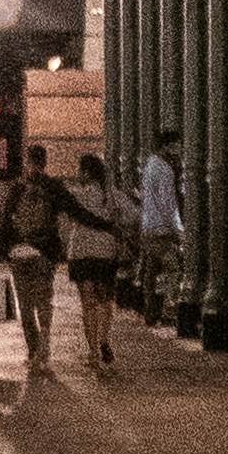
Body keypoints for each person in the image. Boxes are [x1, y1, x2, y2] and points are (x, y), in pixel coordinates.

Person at [57, 148, 134, 374]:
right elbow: (132, 214)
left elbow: (64, 210)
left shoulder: (77, 194)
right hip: (106, 252)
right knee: (105, 300)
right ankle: (104, 339)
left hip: (81, 252)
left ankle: (92, 353)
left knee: (87, 303)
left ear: (85, 171)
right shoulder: (111, 194)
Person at [1, 147, 63, 373]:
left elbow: (6, 220)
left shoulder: (18, 187)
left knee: (25, 305)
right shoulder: (53, 186)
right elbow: (67, 215)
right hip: (45, 253)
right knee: (44, 301)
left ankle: (33, 350)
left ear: (28, 161)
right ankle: (44, 346)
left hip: (20, 252)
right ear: (45, 162)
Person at [132, 136, 183, 325]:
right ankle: (169, 310)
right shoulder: (165, 170)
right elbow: (167, 202)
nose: (180, 150)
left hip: (147, 226)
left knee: (151, 271)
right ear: (167, 146)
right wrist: (178, 228)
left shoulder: (149, 166)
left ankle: (150, 311)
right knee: (173, 268)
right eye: (177, 145)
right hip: (161, 229)